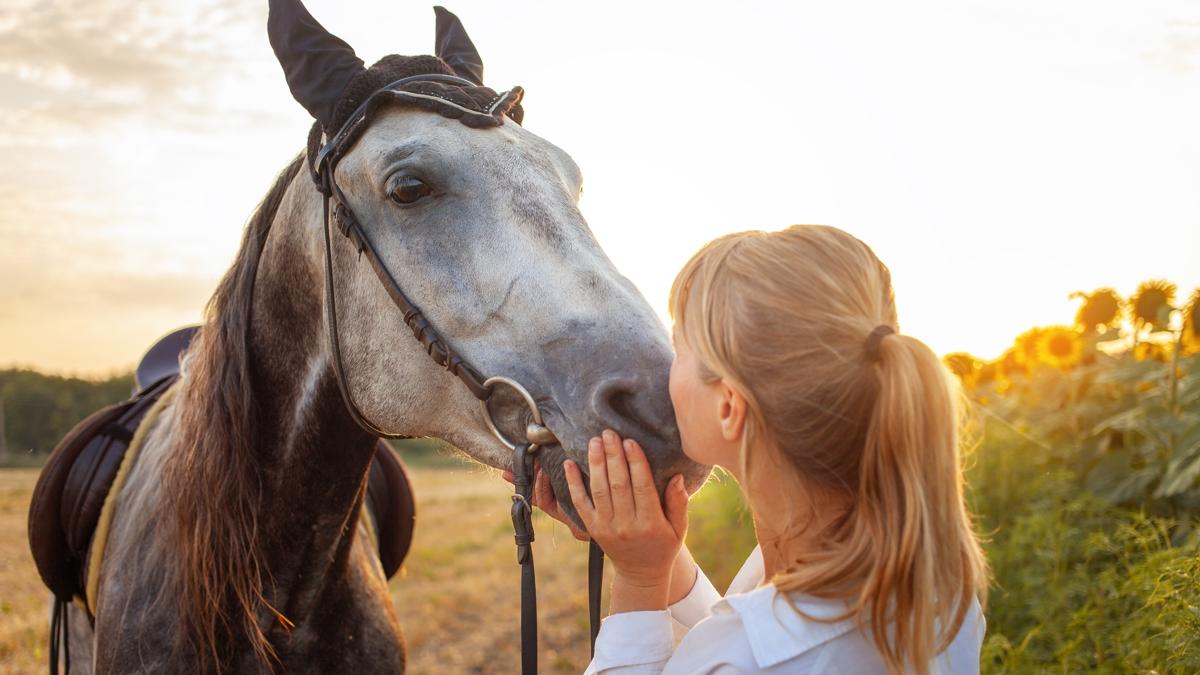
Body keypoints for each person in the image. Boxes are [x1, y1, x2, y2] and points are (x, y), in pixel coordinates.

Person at [522, 225, 988, 673]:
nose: (665, 371)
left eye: (678, 345)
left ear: (729, 405)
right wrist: (657, 555)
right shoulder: (927, 582)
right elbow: (756, 629)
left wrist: (639, 582)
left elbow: (743, 649)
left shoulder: (739, 654)